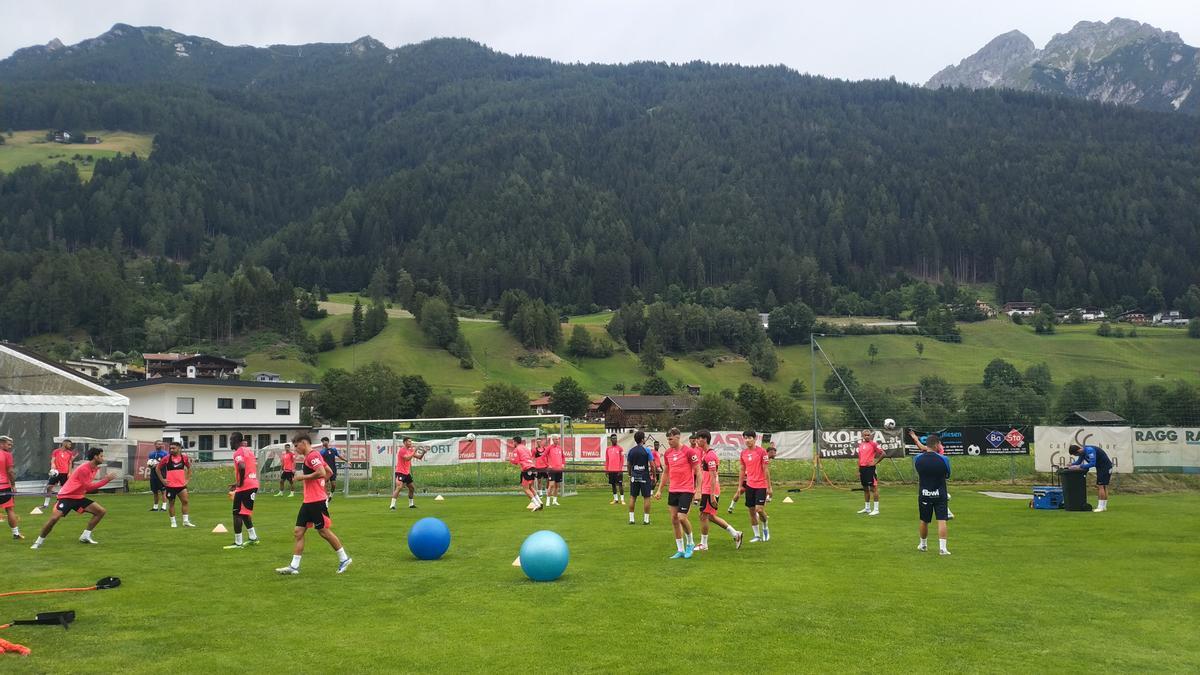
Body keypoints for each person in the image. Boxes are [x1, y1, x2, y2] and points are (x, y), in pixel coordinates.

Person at [275, 433, 352, 575]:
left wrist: (303, 477)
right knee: (298, 532)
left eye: (297, 446)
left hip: (316, 501)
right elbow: (328, 472)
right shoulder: (313, 456)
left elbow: (322, 472)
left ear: (304, 442)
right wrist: (320, 483)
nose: (296, 449)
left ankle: (344, 558)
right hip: (308, 500)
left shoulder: (312, 456)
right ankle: (294, 566)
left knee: (323, 531)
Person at [31, 447, 117, 548]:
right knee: (54, 518)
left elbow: (85, 487)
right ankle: (38, 542)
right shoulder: (84, 468)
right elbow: (88, 488)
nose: (103, 458)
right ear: (95, 457)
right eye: (101, 456)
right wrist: (106, 480)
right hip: (66, 497)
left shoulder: (94, 468)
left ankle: (85, 536)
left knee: (101, 511)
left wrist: (105, 479)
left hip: (78, 497)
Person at [654, 427, 702, 559]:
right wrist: (659, 490)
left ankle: (690, 543)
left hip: (686, 489)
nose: (669, 441)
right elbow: (666, 472)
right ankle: (680, 549)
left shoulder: (689, 452)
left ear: (678, 437)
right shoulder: (668, 453)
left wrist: (698, 490)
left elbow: (698, 471)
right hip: (673, 490)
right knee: (674, 519)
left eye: (670, 439)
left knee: (682, 517)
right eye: (667, 439)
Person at [694, 430, 743, 551]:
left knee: (703, 515)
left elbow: (712, 476)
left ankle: (704, 544)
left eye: (698, 438)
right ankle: (735, 534)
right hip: (707, 489)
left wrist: (711, 495)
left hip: (709, 490)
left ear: (705, 439)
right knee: (710, 516)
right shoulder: (706, 454)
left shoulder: (710, 456)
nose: (696, 441)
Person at [909, 430, 951, 555]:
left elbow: (920, 472)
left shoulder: (917, 459)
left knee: (924, 520)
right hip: (940, 493)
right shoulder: (944, 459)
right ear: (937, 444)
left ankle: (923, 545)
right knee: (942, 520)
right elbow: (948, 475)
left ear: (927, 445)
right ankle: (943, 549)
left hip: (925, 493)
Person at [225, 433, 261, 549]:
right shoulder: (248, 451)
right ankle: (253, 538)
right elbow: (249, 468)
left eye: (230, 440)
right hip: (252, 483)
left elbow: (241, 466)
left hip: (245, 486)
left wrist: (240, 483)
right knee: (244, 513)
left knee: (237, 514)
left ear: (235, 440)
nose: (229, 442)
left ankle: (238, 543)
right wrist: (237, 483)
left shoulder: (238, 452)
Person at [737, 430, 772, 542]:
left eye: (749, 438)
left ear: (755, 439)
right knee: (751, 511)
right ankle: (757, 535)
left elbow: (766, 469)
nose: (747, 440)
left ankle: (765, 526)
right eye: (745, 438)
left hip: (761, 484)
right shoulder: (743, 453)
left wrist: (769, 487)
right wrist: (739, 486)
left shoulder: (761, 452)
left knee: (759, 509)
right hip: (749, 485)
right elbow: (742, 470)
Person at [156, 441, 195, 528]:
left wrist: (187, 479)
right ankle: (173, 522)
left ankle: (185, 521)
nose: (171, 450)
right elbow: (157, 469)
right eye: (170, 448)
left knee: (185, 502)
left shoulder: (184, 458)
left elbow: (189, 468)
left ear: (179, 448)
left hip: (181, 485)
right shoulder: (166, 458)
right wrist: (163, 480)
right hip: (170, 486)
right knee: (171, 503)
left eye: (173, 448)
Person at [1066, 444, 1114, 512]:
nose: (1077, 456)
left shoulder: (1089, 450)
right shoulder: (1082, 453)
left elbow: (1092, 463)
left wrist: (1080, 466)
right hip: (1101, 467)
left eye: (1076, 455)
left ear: (1078, 451)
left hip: (1105, 467)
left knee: (1100, 486)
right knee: (1103, 486)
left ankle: (1100, 507)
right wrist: (1071, 464)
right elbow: (1078, 462)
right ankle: (1104, 506)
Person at [508, 435, 543, 511]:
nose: (512, 443)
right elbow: (530, 456)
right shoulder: (526, 448)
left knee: (525, 488)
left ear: (515, 442)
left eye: (513, 442)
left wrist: (509, 459)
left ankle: (536, 504)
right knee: (531, 487)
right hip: (533, 467)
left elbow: (515, 461)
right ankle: (540, 502)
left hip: (526, 469)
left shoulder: (516, 449)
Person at [626, 431, 653, 525]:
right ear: (642, 440)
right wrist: (653, 475)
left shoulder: (631, 451)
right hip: (644, 476)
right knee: (646, 497)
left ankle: (631, 519)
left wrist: (630, 474)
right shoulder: (647, 450)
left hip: (634, 476)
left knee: (633, 497)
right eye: (644, 438)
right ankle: (646, 520)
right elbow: (652, 465)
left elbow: (628, 465)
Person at [42, 439, 76, 510]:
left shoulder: (70, 453)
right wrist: (52, 468)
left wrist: (70, 472)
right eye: (69, 444)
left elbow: (70, 463)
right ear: (64, 444)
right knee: (49, 487)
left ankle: (61, 503)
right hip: (56, 473)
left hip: (65, 473)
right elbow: (53, 460)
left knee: (65, 489)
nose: (70, 446)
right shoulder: (56, 451)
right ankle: (46, 504)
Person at [856, 429, 884, 516]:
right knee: (865, 488)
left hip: (870, 469)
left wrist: (875, 462)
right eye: (865, 435)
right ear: (862, 436)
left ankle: (876, 509)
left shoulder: (874, 444)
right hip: (862, 468)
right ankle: (867, 508)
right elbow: (860, 458)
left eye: (868, 435)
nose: (867, 436)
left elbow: (883, 454)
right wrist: (858, 470)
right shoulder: (861, 445)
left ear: (870, 436)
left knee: (873, 488)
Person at [390, 437, 421, 510]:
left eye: (411, 441)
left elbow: (419, 457)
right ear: (405, 442)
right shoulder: (402, 450)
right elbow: (407, 458)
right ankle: (392, 506)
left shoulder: (410, 450)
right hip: (400, 472)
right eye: (409, 441)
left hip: (407, 473)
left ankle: (411, 504)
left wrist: (424, 452)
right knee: (399, 487)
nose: (411, 443)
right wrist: (414, 451)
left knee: (412, 488)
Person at [0, 435, 22, 540]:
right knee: (9, 509)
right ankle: (16, 533)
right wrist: (13, 485)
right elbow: (10, 471)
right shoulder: (7, 455)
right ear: (1, 444)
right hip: (3, 486)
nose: (10, 446)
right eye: (8, 444)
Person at [147, 440, 169, 510]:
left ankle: (164, 506)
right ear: (155, 445)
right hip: (153, 474)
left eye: (160, 444)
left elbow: (167, 463)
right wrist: (150, 465)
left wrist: (158, 464)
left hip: (162, 474)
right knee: (155, 491)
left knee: (163, 491)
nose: (159, 445)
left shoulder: (165, 453)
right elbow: (150, 463)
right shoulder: (151, 454)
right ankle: (155, 507)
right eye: (158, 444)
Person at [604, 434, 625, 504]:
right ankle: (615, 499)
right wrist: (606, 470)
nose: (615, 440)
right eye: (613, 438)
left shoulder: (620, 448)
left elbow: (622, 460)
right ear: (611, 440)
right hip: (610, 470)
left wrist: (620, 469)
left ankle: (622, 499)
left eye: (615, 438)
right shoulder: (608, 449)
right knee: (613, 484)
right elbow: (607, 460)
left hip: (618, 470)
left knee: (620, 484)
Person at [545, 435, 565, 506]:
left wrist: (563, 464)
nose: (557, 440)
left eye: (558, 439)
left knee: (557, 486)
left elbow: (563, 457)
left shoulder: (560, 448)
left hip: (559, 469)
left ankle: (554, 501)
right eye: (556, 439)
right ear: (553, 440)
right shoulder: (549, 448)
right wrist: (548, 464)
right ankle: (548, 501)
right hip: (552, 470)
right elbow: (544, 456)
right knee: (551, 485)